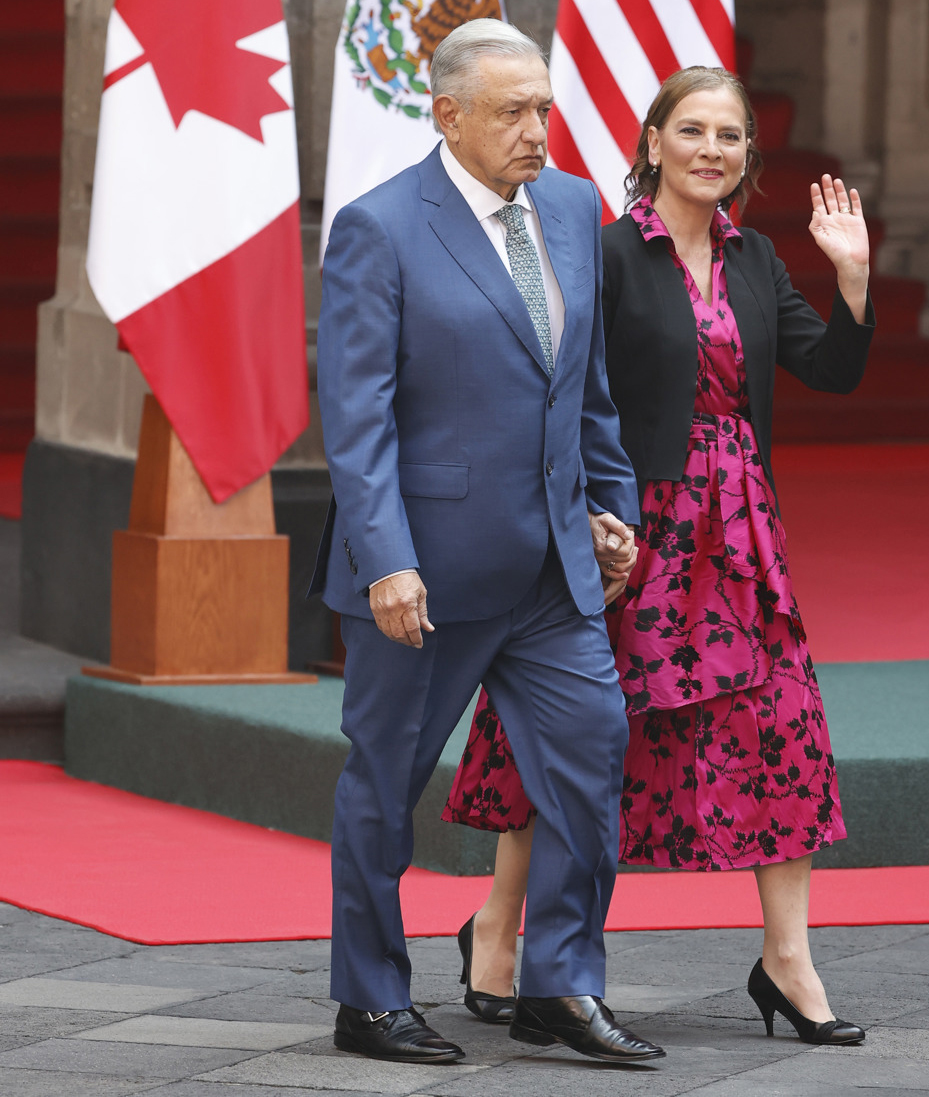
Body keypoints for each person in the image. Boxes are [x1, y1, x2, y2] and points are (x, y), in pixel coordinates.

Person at [444, 65, 874, 1047]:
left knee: (784, 725)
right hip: (625, 529)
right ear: (651, 144)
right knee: (569, 727)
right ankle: (499, 926)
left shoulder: (757, 258)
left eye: (730, 136)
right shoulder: (600, 254)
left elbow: (832, 370)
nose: (711, 150)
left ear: (745, 159)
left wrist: (849, 277)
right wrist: (570, 513)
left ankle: (786, 958)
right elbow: (546, 384)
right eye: (692, 130)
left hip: (740, 536)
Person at [310, 19, 663, 1066]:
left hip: (555, 568)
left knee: (593, 759)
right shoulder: (380, 228)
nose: (537, 131)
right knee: (384, 785)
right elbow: (356, 413)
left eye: (544, 107)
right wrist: (386, 557)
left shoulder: (568, 207)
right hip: (423, 573)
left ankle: (560, 979)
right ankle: (369, 997)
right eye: (512, 111)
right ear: (447, 113)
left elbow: (584, 386)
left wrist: (611, 509)